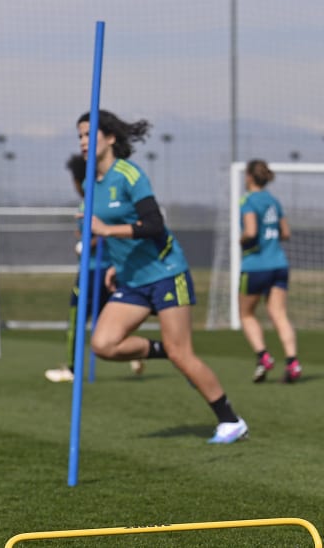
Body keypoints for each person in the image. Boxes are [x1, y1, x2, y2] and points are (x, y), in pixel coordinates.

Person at [78, 110, 247, 444]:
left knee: (182, 353)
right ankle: (163, 351)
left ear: (110, 138)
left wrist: (107, 230)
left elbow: (153, 225)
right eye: (80, 136)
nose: (83, 142)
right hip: (132, 279)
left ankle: (231, 421)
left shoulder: (129, 175)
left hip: (167, 272)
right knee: (103, 345)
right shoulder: (89, 182)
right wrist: (115, 263)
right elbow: (114, 234)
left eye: (90, 134)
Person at [45, 154, 143, 382]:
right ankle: (133, 352)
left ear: (79, 181)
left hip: (93, 270)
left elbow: (98, 234)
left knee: (77, 317)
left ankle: (71, 368)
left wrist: (85, 243)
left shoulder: (90, 202)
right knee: (107, 318)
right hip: (113, 268)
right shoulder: (109, 198)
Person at [239, 159, 301, 384]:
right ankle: (292, 362)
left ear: (248, 177)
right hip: (279, 264)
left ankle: (263, 357)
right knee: (279, 314)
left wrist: (242, 239)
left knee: (246, 314)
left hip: (255, 265)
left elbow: (251, 231)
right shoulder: (274, 201)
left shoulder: (247, 200)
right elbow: (285, 233)